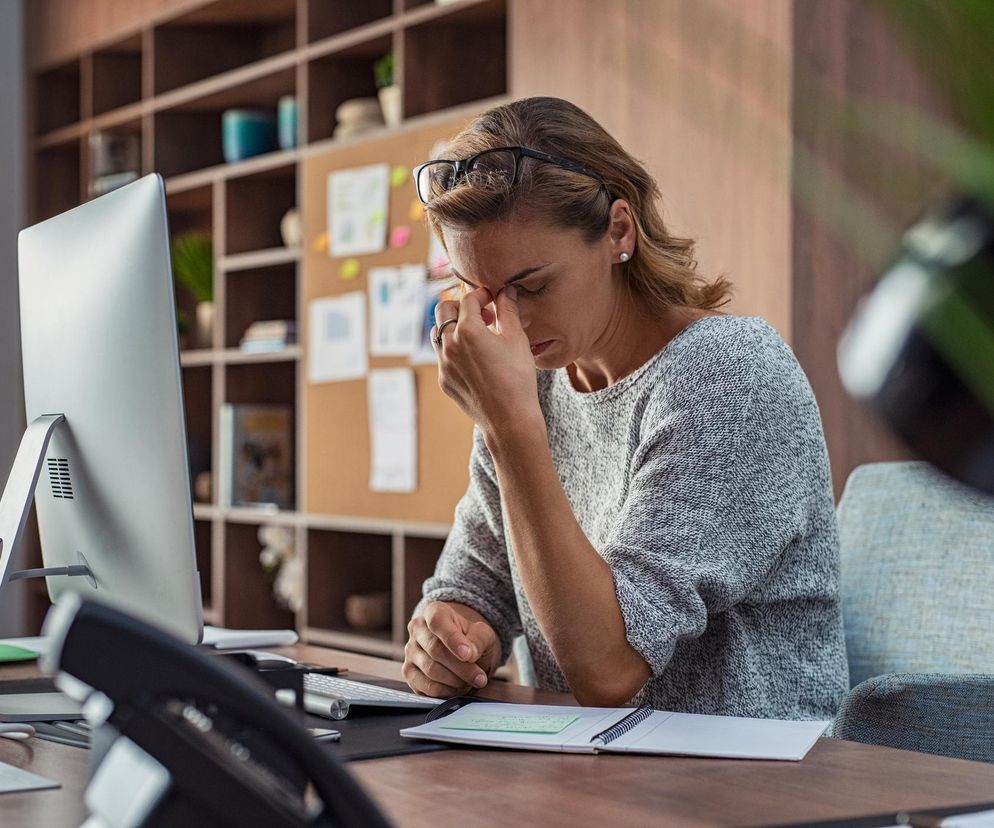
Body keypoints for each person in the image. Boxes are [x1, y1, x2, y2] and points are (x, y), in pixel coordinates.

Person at [403, 96, 848, 719]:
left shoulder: (729, 376)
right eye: (481, 292)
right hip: (594, 773)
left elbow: (608, 668)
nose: (507, 321)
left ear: (619, 231)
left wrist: (509, 427)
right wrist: (449, 635)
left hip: (752, 785)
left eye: (532, 286)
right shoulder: (534, 384)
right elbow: (477, 581)